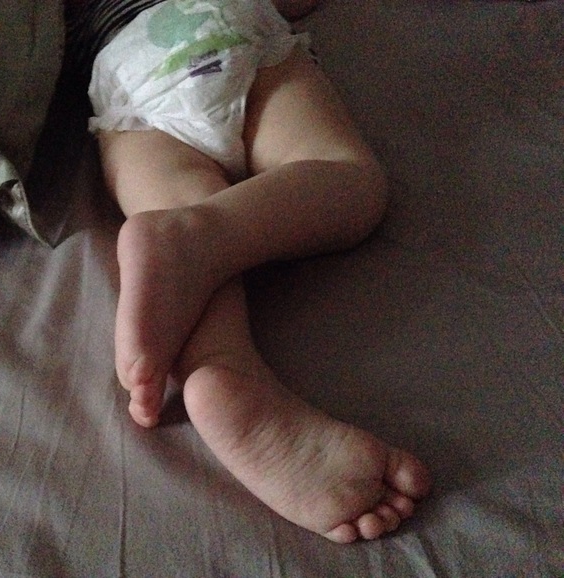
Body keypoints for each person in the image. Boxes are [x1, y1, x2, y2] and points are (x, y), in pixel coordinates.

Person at [64, 0, 432, 543]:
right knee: (343, 174)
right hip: (225, 24)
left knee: (176, 202)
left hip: (125, 70)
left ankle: (224, 365)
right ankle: (204, 234)